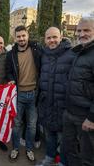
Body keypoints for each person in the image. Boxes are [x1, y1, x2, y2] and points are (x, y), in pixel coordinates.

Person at [36, 27, 75, 166]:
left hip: (63, 105)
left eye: (54, 37)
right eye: (49, 38)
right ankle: (49, 158)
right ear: (45, 39)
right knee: (49, 134)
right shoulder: (44, 54)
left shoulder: (71, 54)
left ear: (61, 37)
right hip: (47, 103)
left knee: (64, 138)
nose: (52, 40)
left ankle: (62, 163)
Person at [5, 25, 42, 162]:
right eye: (18, 36)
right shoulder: (11, 54)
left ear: (27, 36)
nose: (21, 39)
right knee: (16, 124)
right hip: (18, 94)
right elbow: (8, 71)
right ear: (15, 38)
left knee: (32, 125)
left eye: (23, 36)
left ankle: (29, 149)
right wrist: (10, 79)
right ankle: (15, 148)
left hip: (34, 94)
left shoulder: (37, 50)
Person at [63, 17, 94, 166]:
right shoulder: (78, 51)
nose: (82, 34)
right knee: (70, 150)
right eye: (79, 30)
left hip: (85, 116)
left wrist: (92, 118)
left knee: (87, 157)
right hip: (70, 112)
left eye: (87, 30)